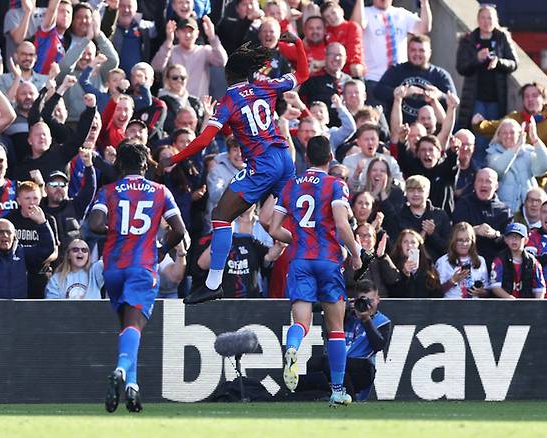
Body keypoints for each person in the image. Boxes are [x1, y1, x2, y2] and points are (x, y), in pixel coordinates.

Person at [162, 33, 309, 305]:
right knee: (289, 218)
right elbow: (302, 73)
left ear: (228, 75)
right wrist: (298, 44)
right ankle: (348, 250)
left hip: (262, 165)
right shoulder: (266, 86)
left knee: (220, 217)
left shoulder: (228, 100)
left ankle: (214, 283)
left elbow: (206, 139)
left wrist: (175, 158)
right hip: (284, 158)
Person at [88, 143, 187, 413]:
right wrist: (162, 248)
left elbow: (95, 224)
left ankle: (132, 387)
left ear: (119, 165)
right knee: (134, 325)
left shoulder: (108, 191)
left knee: (128, 329)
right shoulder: (160, 192)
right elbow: (178, 229)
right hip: (142, 266)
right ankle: (120, 370)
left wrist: (117, 231)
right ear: (146, 166)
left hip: (113, 268)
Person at [269, 135, 361, 406]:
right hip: (329, 260)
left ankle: (293, 347)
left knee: (301, 322)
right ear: (330, 157)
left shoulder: (290, 186)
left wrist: (296, 238)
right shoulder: (335, 184)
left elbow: (273, 228)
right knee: (335, 329)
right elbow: (343, 226)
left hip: (299, 261)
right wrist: (355, 255)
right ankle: (337, 390)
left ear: (306, 157)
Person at [456, 4, 518, 166]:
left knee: (495, 136)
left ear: (495, 20)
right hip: (476, 97)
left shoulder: (502, 37)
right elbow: (461, 67)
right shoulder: (469, 39)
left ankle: (493, 168)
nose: (486, 21)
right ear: (478, 20)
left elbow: (514, 63)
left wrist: (498, 62)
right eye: (483, 18)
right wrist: (477, 59)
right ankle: (478, 169)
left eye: (490, 18)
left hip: (497, 97)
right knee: (478, 136)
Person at [473, 82, 547, 187]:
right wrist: (478, 123)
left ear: (543, 99)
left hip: (533, 186)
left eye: (534, 96)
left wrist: (542, 171)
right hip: (508, 181)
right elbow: (493, 127)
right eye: (526, 96)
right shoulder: (515, 118)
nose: (530, 99)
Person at [485, 118, 547, 214]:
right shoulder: (492, 153)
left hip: (529, 211)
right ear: (499, 135)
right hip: (504, 212)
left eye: (512, 132)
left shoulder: (528, 152)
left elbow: (545, 166)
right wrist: (517, 147)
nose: (508, 136)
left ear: (519, 134)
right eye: (504, 133)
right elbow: (498, 169)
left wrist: (535, 139)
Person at [342, 279, 391, 400]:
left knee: (330, 364)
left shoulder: (382, 321)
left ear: (378, 299)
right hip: (342, 363)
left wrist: (366, 319)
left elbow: (378, 345)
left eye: (371, 300)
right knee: (316, 366)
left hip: (362, 367)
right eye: (363, 301)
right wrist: (343, 309)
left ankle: (350, 398)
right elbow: (328, 330)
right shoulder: (347, 316)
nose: (368, 305)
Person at [452, 168, 511, 267]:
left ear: (496, 186)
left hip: (495, 264)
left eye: (488, 181)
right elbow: (454, 233)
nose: (483, 184)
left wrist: (495, 235)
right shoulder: (463, 204)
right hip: (466, 262)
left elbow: (510, 241)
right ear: (474, 184)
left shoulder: (504, 211)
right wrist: (473, 230)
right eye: (480, 180)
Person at [489, 222, 545, 299]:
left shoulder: (533, 262)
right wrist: (511, 299)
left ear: (526, 240)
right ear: (506, 239)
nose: (514, 240)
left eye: (518, 237)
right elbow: (495, 287)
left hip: (527, 306)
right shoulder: (499, 260)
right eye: (511, 237)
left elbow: (540, 289)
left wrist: (536, 306)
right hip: (503, 307)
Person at [435, 222, 489, 299]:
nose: (464, 244)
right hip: (451, 306)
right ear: (453, 241)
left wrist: (482, 292)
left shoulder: (480, 260)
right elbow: (436, 292)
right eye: (460, 240)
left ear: (472, 242)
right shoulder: (443, 261)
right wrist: (452, 281)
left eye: (467, 240)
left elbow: (487, 290)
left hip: (475, 306)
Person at [389, 228, 441, 298]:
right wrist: (404, 273)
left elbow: (437, 291)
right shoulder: (392, 264)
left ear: (419, 246)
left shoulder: (428, 264)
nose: (409, 245)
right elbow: (393, 293)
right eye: (405, 242)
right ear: (400, 246)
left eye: (413, 242)